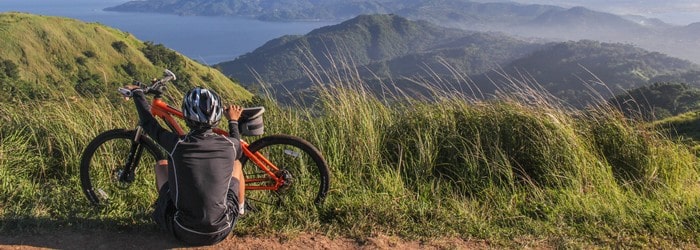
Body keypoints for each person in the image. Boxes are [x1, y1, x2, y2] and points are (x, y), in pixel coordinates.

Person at [127, 85, 245, 246]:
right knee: (236, 164)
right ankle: (241, 208)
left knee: (162, 165)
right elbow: (237, 145)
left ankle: (163, 208)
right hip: (221, 230)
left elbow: (149, 123)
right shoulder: (230, 145)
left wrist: (137, 93)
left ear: (187, 117)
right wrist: (233, 120)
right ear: (217, 117)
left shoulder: (177, 144)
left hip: (183, 230)